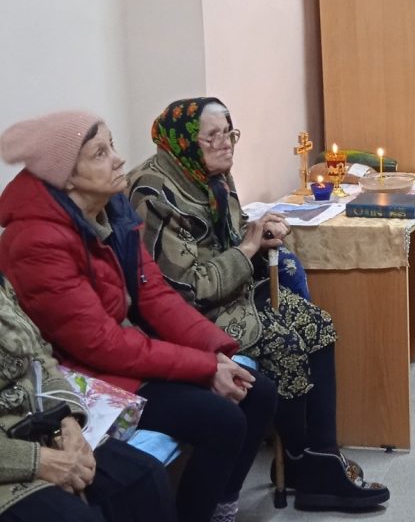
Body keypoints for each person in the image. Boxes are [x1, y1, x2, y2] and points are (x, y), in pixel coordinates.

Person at [0, 110, 276, 522]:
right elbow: (98, 344)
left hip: (125, 354)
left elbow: (155, 294)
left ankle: (221, 507)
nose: (118, 159)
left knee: (256, 390)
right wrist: (204, 368)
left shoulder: (112, 208)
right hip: (87, 373)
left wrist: (218, 351)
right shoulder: (37, 241)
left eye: (111, 145)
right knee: (221, 419)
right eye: (100, 153)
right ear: (67, 176)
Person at [128, 98, 390, 513]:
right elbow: (185, 289)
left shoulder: (212, 175)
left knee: (318, 324)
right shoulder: (153, 193)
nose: (225, 144)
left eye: (229, 133)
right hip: (189, 318)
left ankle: (321, 457)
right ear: (182, 142)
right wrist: (247, 248)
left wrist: (257, 236)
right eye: (211, 137)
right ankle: (302, 465)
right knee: (284, 344)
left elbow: (231, 237)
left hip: (234, 297)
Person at [0, 272, 176, 522]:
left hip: (35, 420)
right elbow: (97, 338)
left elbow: (40, 357)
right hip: (9, 454)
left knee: (144, 477)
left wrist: (67, 421)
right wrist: (36, 461)